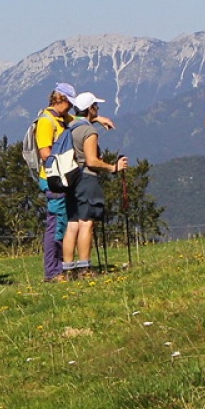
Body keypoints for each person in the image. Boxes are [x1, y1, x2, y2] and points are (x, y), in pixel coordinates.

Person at [62, 92, 127, 278]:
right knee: (86, 223)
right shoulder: (89, 131)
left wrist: (97, 119)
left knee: (72, 224)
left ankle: (68, 269)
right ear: (90, 108)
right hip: (86, 179)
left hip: (71, 179)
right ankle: (85, 268)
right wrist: (113, 167)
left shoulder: (71, 127)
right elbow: (91, 161)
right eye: (96, 107)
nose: (97, 109)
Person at [34, 87, 76, 281]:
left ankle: (60, 266)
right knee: (56, 225)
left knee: (62, 222)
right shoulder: (46, 121)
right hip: (53, 179)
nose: (72, 107)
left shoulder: (62, 119)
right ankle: (53, 271)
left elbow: (78, 122)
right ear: (62, 100)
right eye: (70, 103)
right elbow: (45, 152)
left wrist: (98, 119)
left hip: (61, 178)